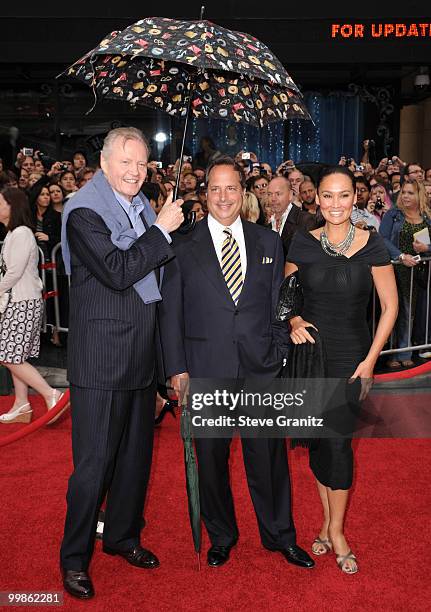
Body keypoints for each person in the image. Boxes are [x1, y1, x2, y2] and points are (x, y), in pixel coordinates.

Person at [159, 156, 314, 571]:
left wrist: (279, 350)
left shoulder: (266, 241)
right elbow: (170, 313)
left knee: (268, 458)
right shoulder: (181, 245)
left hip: (261, 366)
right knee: (210, 460)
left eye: (232, 188)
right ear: (204, 193)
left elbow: (277, 304)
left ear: (243, 192)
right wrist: (176, 368)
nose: (224, 196)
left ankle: (280, 535)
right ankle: (222, 536)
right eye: (215, 188)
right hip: (205, 367)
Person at [59, 127, 184, 600]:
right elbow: (117, 270)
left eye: (142, 163)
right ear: (105, 164)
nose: (135, 172)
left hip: (139, 355)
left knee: (135, 461)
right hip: (100, 360)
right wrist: (160, 231)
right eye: (125, 163)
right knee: (93, 468)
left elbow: (157, 274)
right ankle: (73, 560)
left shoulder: (142, 206)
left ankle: (123, 537)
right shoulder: (83, 211)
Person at [285, 166, 398, 574]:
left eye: (343, 195)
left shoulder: (373, 245)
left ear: (356, 198)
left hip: (351, 359)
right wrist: (295, 323)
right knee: (319, 445)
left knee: (338, 445)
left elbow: (390, 307)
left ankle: (336, 531)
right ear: (317, 199)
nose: (335, 204)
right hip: (311, 359)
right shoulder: (302, 242)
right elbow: (288, 299)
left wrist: (370, 360)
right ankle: (327, 524)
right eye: (327, 196)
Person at [0, 188, 62, 424]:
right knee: (14, 354)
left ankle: (50, 394)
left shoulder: (23, 233)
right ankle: (22, 405)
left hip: (23, 302)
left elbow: (14, 272)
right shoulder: (14, 233)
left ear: (12, 206)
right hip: (18, 301)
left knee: (9, 355)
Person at [379, 178, 431, 368]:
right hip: (396, 269)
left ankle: (405, 350)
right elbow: (382, 239)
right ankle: (397, 353)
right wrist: (400, 256)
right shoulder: (394, 215)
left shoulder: (424, 217)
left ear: (419, 195)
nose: (406, 196)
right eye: (404, 192)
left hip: (418, 272)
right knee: (399, 311)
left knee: (413, 313)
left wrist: (426, 247)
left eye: (410, 193)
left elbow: (427, 245)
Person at [267, 175, 316, 257]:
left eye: (278, 194)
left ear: (290, 195)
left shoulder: (305, 221)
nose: (273, 199)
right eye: (269, 194)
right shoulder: (267, 226)